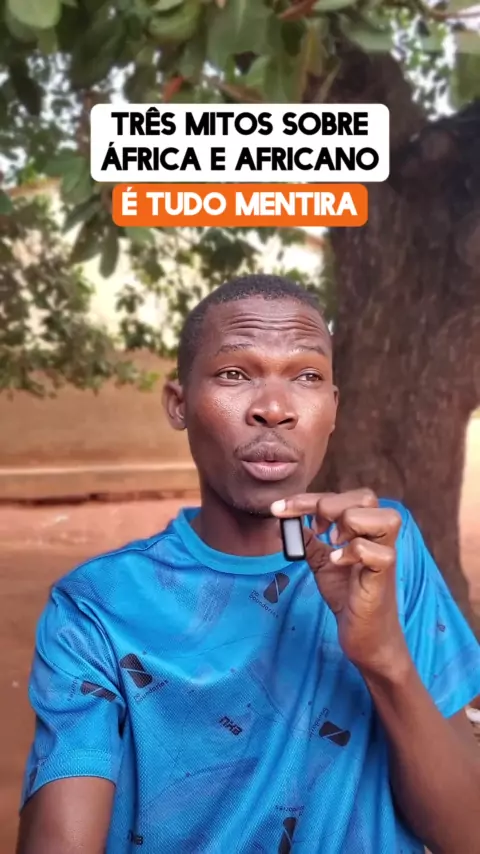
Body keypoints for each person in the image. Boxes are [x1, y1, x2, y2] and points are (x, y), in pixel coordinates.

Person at [17, 275, 480, 854]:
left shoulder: (382, 555)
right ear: (179, 404)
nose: (275, 410)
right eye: (235, 374)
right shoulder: (97, 607)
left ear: (333, 408)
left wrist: (385, 659)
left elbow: (467, 832)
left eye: (307, 376)